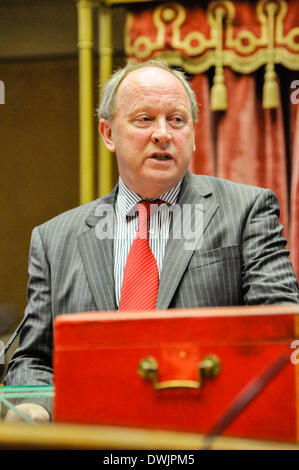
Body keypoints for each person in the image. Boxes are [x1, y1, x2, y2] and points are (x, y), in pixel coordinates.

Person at [4, 60, 299, 423]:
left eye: (176, 120)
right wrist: (35, 409)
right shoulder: (54, 240)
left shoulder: (245, 211)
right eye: (144, 119)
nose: (163, 133)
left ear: (192, 132)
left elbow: (281, 334)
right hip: (94, 436)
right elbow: (34, 359)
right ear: (108, 133)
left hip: (210, 432)